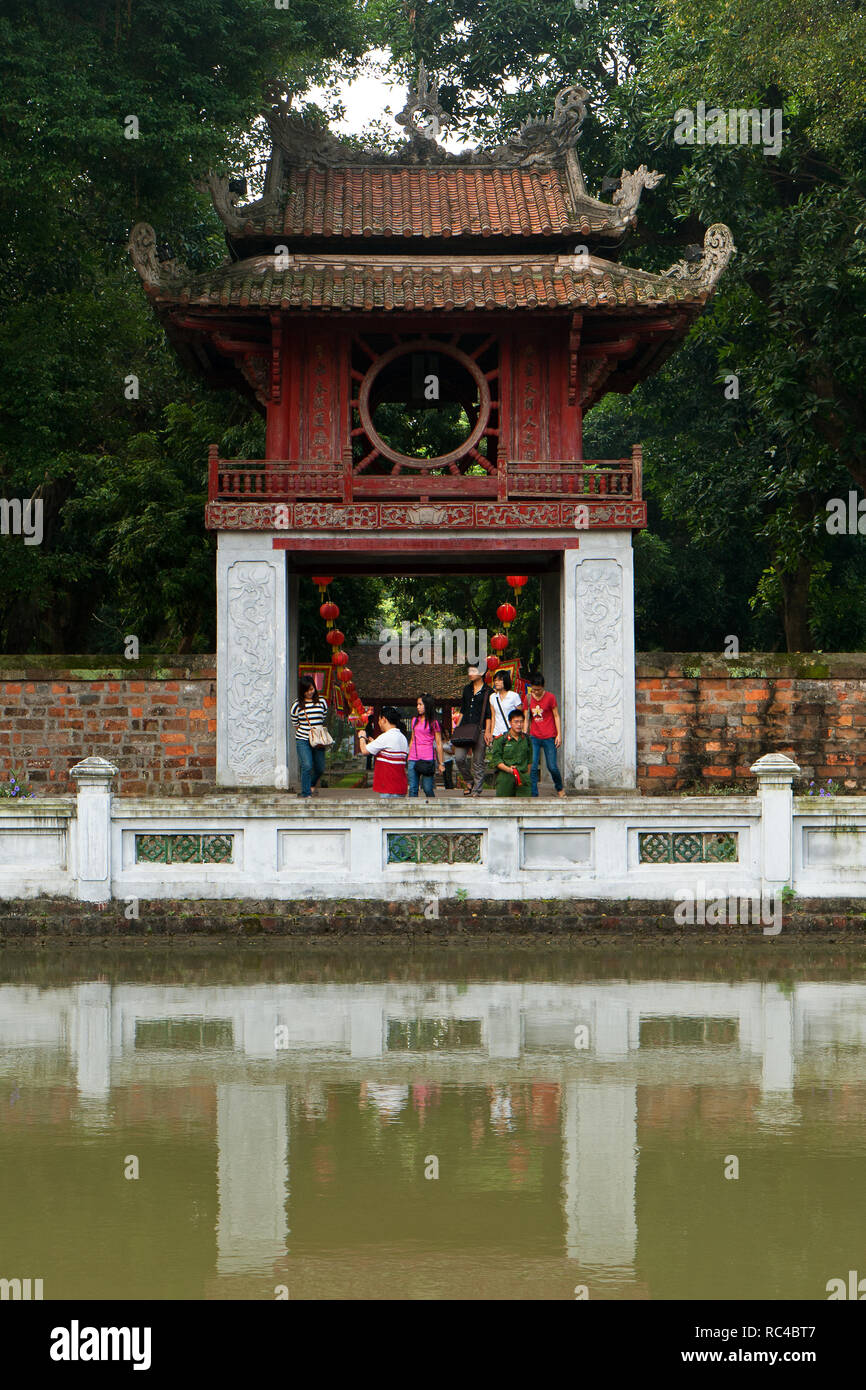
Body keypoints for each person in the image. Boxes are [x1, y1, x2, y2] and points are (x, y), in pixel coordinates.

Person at [523, 672, 565, 798]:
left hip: (549, 736)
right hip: (534, 736)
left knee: (552, 766)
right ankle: (534, 794)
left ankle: (559, 788)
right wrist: (525, 735)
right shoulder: (528, 698)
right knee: (533, 766)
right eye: (534, 689)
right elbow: (526, 718)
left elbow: (556, 716)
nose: (536, 692)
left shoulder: (550, 697)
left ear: (543, 686)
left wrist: (559, 735)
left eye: (539, 689)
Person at [452, 664, 491, 797]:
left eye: (473, 671)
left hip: (480, 729)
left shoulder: (488, 691)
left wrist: (488, 731)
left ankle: (477, 790)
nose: (470, 673)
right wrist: (456, 727)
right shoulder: (467, 689)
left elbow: (489, 714)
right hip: (464, 728)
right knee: (459, 758)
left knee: (478, 761)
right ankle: (469, 780)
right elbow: (462, 710)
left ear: (482, 673)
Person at [290, 675, 329, 798]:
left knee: (320, 768)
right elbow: (295, 723)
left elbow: (322, 718)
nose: (309, 692)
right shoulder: (297, 705)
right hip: (303, 739)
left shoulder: (322, 702)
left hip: (318, 739)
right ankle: (306, 793)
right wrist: (307, 732)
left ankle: (311, 784)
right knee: (307, 765)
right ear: (302, 691)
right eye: (306, 690)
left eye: (311, 689)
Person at [358, 705, 409, 797]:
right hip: (401, 787)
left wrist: (361, 737)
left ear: (384, 719)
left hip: (388, 787)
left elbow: (364, 750)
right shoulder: (403, 738)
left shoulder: (385, 737)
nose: (378, 723)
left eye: (379, 719)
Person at [407, 694, 444, 799]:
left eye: (420, 704)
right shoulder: (414, 720)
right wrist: (409, 756)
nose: (418, 707)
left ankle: (433, 810)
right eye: (417, 704)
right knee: (413, 789)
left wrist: (441, 763)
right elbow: (412, 739)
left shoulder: (434, 722)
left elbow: (438, 743)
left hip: (428, 758)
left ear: (427, 705)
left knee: (427, 788)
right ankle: (413, 813)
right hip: (413, 757)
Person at [490, 708, 532, 797]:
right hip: (506, 777)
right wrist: (509, 770)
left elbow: (529, 760)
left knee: (524, 807)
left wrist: (526, 776)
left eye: (521, 722)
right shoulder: (501, 740)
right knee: (504, 806)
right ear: (510, 722)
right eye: (516, 722)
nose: (519, 725)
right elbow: (496, 760)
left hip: (523, 777)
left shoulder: (527, 739)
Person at [485, 669, 523, 745]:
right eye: (495, 680)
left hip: (510, 733)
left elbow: (520, 716)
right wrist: (491, 733)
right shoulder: (492, 697)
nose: (496, 682)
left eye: (499, 680)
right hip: (497, 734)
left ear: (505, 681)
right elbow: (493, 717)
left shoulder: (514, 696)